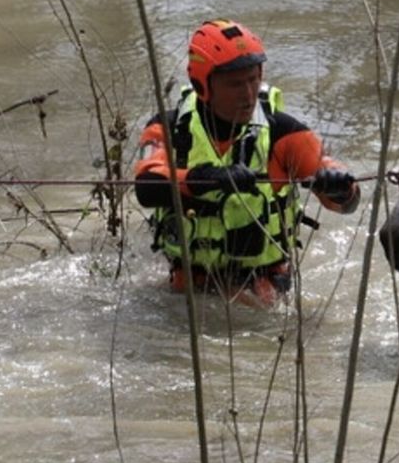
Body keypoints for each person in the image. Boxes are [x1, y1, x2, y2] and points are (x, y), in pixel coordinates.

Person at [133, 19, 361, 308]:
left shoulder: (285, 133)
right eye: (235, 84)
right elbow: (146, 187)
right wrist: (209, 178)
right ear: (202, 84)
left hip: (261, 290)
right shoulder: (166, 128)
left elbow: (346, 201)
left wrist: (340, 186)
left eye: (253, 79)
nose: (248, 93)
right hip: (186, 287)